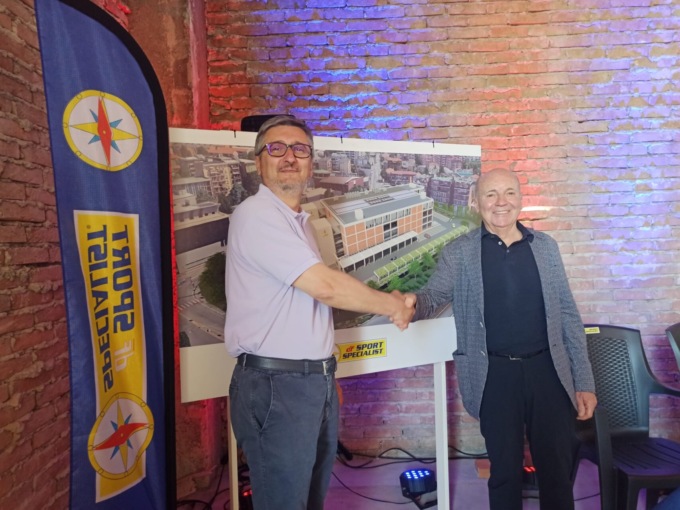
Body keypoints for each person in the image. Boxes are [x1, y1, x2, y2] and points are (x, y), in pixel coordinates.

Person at [223, 115, 414, 510]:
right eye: (276, 148)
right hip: (277, 386)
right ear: (259, 162)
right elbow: (325, 287)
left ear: (310, 162)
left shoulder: (301, 223)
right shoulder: (256, 215)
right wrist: (394, 305)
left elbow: (308, 306)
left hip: (310, 382)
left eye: (300, 149)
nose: (289, 157)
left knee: (309, 500)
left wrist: (324, 373)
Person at [405, 168, 597, 510]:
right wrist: (408, 304)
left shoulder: (545, 247)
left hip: (549, 371)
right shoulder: (460, 252)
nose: (501, 202)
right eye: (491, 194)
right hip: (493, 375)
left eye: (509, 193)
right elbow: (433, 297)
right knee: (504, 473)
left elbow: (568, 315)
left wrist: (583, 381)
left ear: (520, 199)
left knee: (557, 471)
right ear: (476, 202)